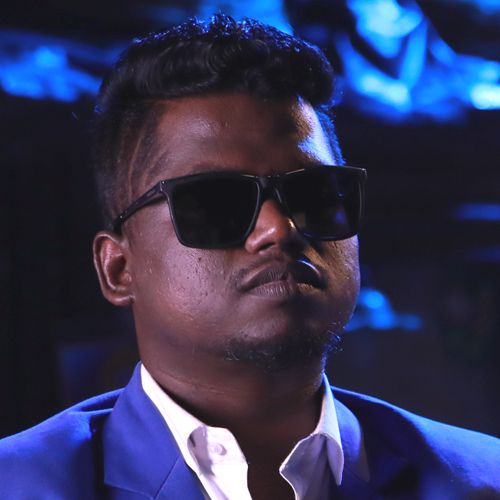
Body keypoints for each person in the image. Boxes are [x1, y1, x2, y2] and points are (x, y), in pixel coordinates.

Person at [0, 14, 498, 500]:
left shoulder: (481, 480)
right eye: (216, 201)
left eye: (314, 193)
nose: (279, 228)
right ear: (118, 269)